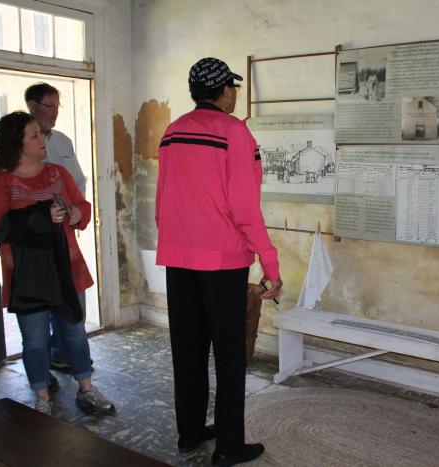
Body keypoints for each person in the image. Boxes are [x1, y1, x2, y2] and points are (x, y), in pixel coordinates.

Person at [155, 57, 282, 465]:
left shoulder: (173, 132)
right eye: (234, 89)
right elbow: (245, 208)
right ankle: (228, 447)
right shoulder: (235, 133)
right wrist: (271, 262)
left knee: (187, 351)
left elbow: (162, 201)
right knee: (229, 357)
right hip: (223, 263)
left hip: (179, 258)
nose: (235, 95)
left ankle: (190, 432)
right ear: (226, 91)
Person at [0, 111, 114, 416]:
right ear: (17, 142)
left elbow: (81, 205)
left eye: (40, 134)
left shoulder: (57, 173)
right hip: (27, 276)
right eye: (34, 135)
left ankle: (87, 388)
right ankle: (42, 397)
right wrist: (41, 216)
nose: (43, 139)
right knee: (36, 339)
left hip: (67, 268)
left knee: (75, 331)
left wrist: (78, 214)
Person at [25, 83, 87, 376]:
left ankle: (67, 355)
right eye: (50, 106)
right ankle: (47, 365)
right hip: (34, 242)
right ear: (32, 105)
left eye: (57, 106)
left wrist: (78, 212)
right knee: (42, 308)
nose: (55, 113)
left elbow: (78, 181)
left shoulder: (62, 141)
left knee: (71, 304)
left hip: (66, 233)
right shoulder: (18, 146)